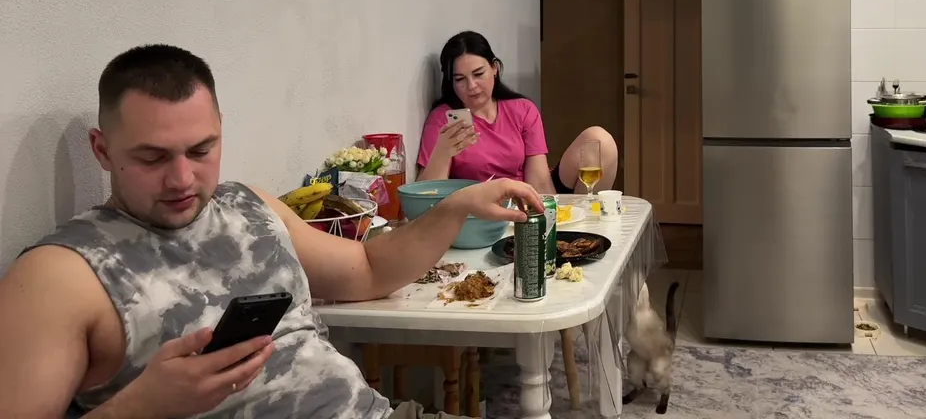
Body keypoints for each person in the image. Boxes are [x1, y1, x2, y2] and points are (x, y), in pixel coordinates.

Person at [0, 44, 544, 419]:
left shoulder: (247, 204)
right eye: (152, 157)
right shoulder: (61, 273)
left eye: (201, 150)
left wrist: (454, 209)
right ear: (102, 150)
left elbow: (368, 270)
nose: (182, 178)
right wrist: (141, 407)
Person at [417, 31, 618, 197]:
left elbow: (539, 181)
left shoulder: (522, 109)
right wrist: (443, 151)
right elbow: (425, 194)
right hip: (479, 207)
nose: (471, 86)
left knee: (600, 139)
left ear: (494, 68)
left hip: (528, 196)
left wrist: (549, 217)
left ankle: (587, 223)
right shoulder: (443, 119)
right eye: (460, 79)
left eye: (478, 74)